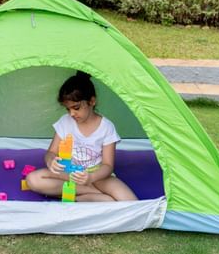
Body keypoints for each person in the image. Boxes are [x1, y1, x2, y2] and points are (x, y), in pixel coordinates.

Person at [26, 71, 138, 202]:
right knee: (33, 180)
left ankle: (75, 195)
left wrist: (90, 178)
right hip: (69, 173)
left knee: (130, 201)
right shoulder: (65, 122)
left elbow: (108, 166)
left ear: (92, 101)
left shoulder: (106, 127)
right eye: (68, 109)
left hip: (97, 176)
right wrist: (51, 161)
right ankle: (90, 193)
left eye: (76, 107)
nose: (72, 113)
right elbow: (51, 152)